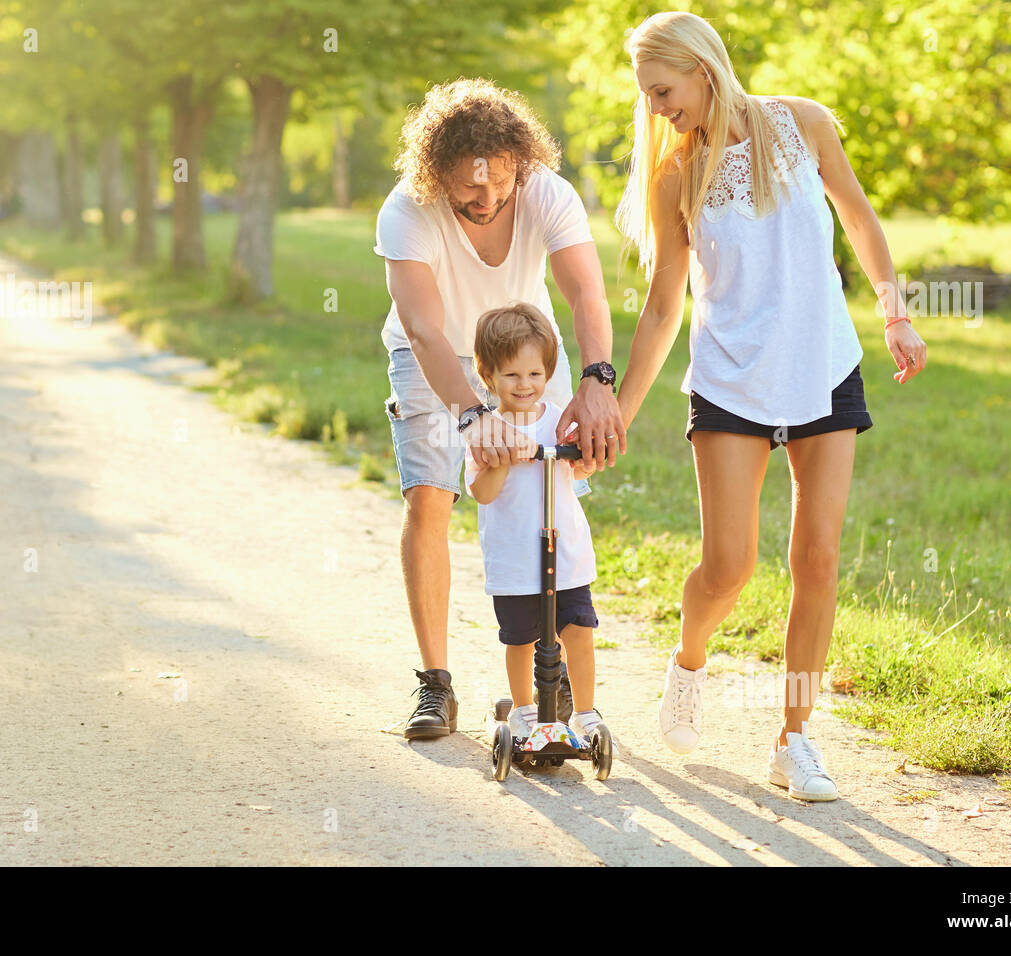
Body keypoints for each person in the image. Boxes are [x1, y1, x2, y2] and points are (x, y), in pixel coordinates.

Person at [612, 12, 927, 801]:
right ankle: (689, 663)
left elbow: (856, 214)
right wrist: (618, 407)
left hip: (823, 369)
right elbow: (662, 309)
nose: (656, 109)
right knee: (729, 567)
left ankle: (795, 739)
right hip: (732, 384)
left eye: (663, 91)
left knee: (817, 559)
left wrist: (894, 312)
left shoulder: (804, 124)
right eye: (648, 96)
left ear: (704, 68)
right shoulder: (676, 176)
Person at [374, 78, 626, 740]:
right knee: (430, 497)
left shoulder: (545, 190)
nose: (487, 201)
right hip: (434, 355)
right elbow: (426, 332)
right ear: (435, 175)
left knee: (548, 482)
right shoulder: (407, 209)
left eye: (499, 185)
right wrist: (471, 416)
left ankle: (552, 657)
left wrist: (598, 379)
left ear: (520, 161)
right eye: (469, 189)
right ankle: (436, 685)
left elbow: (585, 293)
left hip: (522, 353)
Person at [464, 304, 606, 743]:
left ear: (547, 373)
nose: (524, 385)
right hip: (515, 557)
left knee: (578, 631)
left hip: (564, 553)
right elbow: (480, 492)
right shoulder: (487, 430)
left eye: (534, 375)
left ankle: (584, 711)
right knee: (521, 638)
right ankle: (524, 710)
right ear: (488, 377)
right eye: (511, 376)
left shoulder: (559, 420)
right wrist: (502, 461)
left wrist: (581, 458)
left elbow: (579, 473)